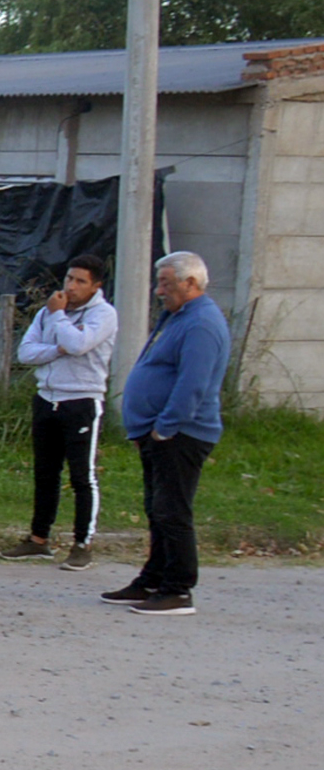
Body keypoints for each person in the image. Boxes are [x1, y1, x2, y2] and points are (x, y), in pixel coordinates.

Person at [103, 251, 230, 616]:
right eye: (159, 283)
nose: (159, 291)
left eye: (166, 283)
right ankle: (152, 579)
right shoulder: (176, 317)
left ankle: (178, 588)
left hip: (181, 434)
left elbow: (194, 383)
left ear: (191, 284)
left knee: (172, 510)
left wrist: (165, 428)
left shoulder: (201, 324)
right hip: (156, 431)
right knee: (156, 509)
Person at [0, 252, 118, 571]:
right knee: (45, 472)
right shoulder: (49, 312)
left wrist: (61, 320)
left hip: (81, 400)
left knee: (82, 475)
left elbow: (79, 344)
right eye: (69, 278)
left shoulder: (103, 315)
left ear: (95, 286)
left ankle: (83, 543)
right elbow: (26, 352)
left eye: (80, 281)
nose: (72, 286)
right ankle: (39, 539)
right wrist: (56, 349)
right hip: (47, 398)